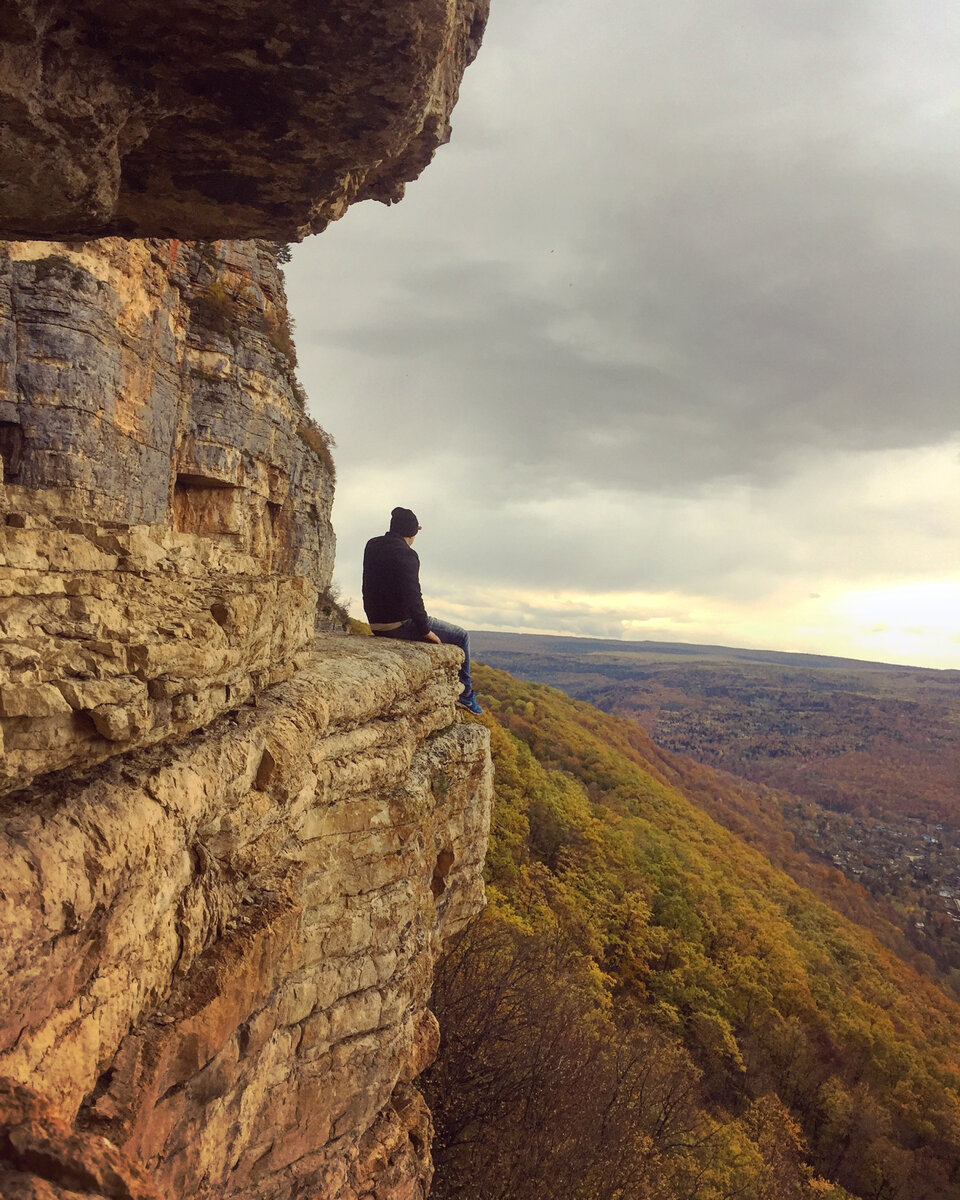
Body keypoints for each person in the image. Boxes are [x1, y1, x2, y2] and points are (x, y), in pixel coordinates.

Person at [362, 507, 483, 714]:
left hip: (375, 621)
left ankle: (466, 692)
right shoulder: (407, 555)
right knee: (462, 636)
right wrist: (425, 630)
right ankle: (466, 695)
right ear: (412, 532)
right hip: (398, 623)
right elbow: (413, 596)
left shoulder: (372, 545)